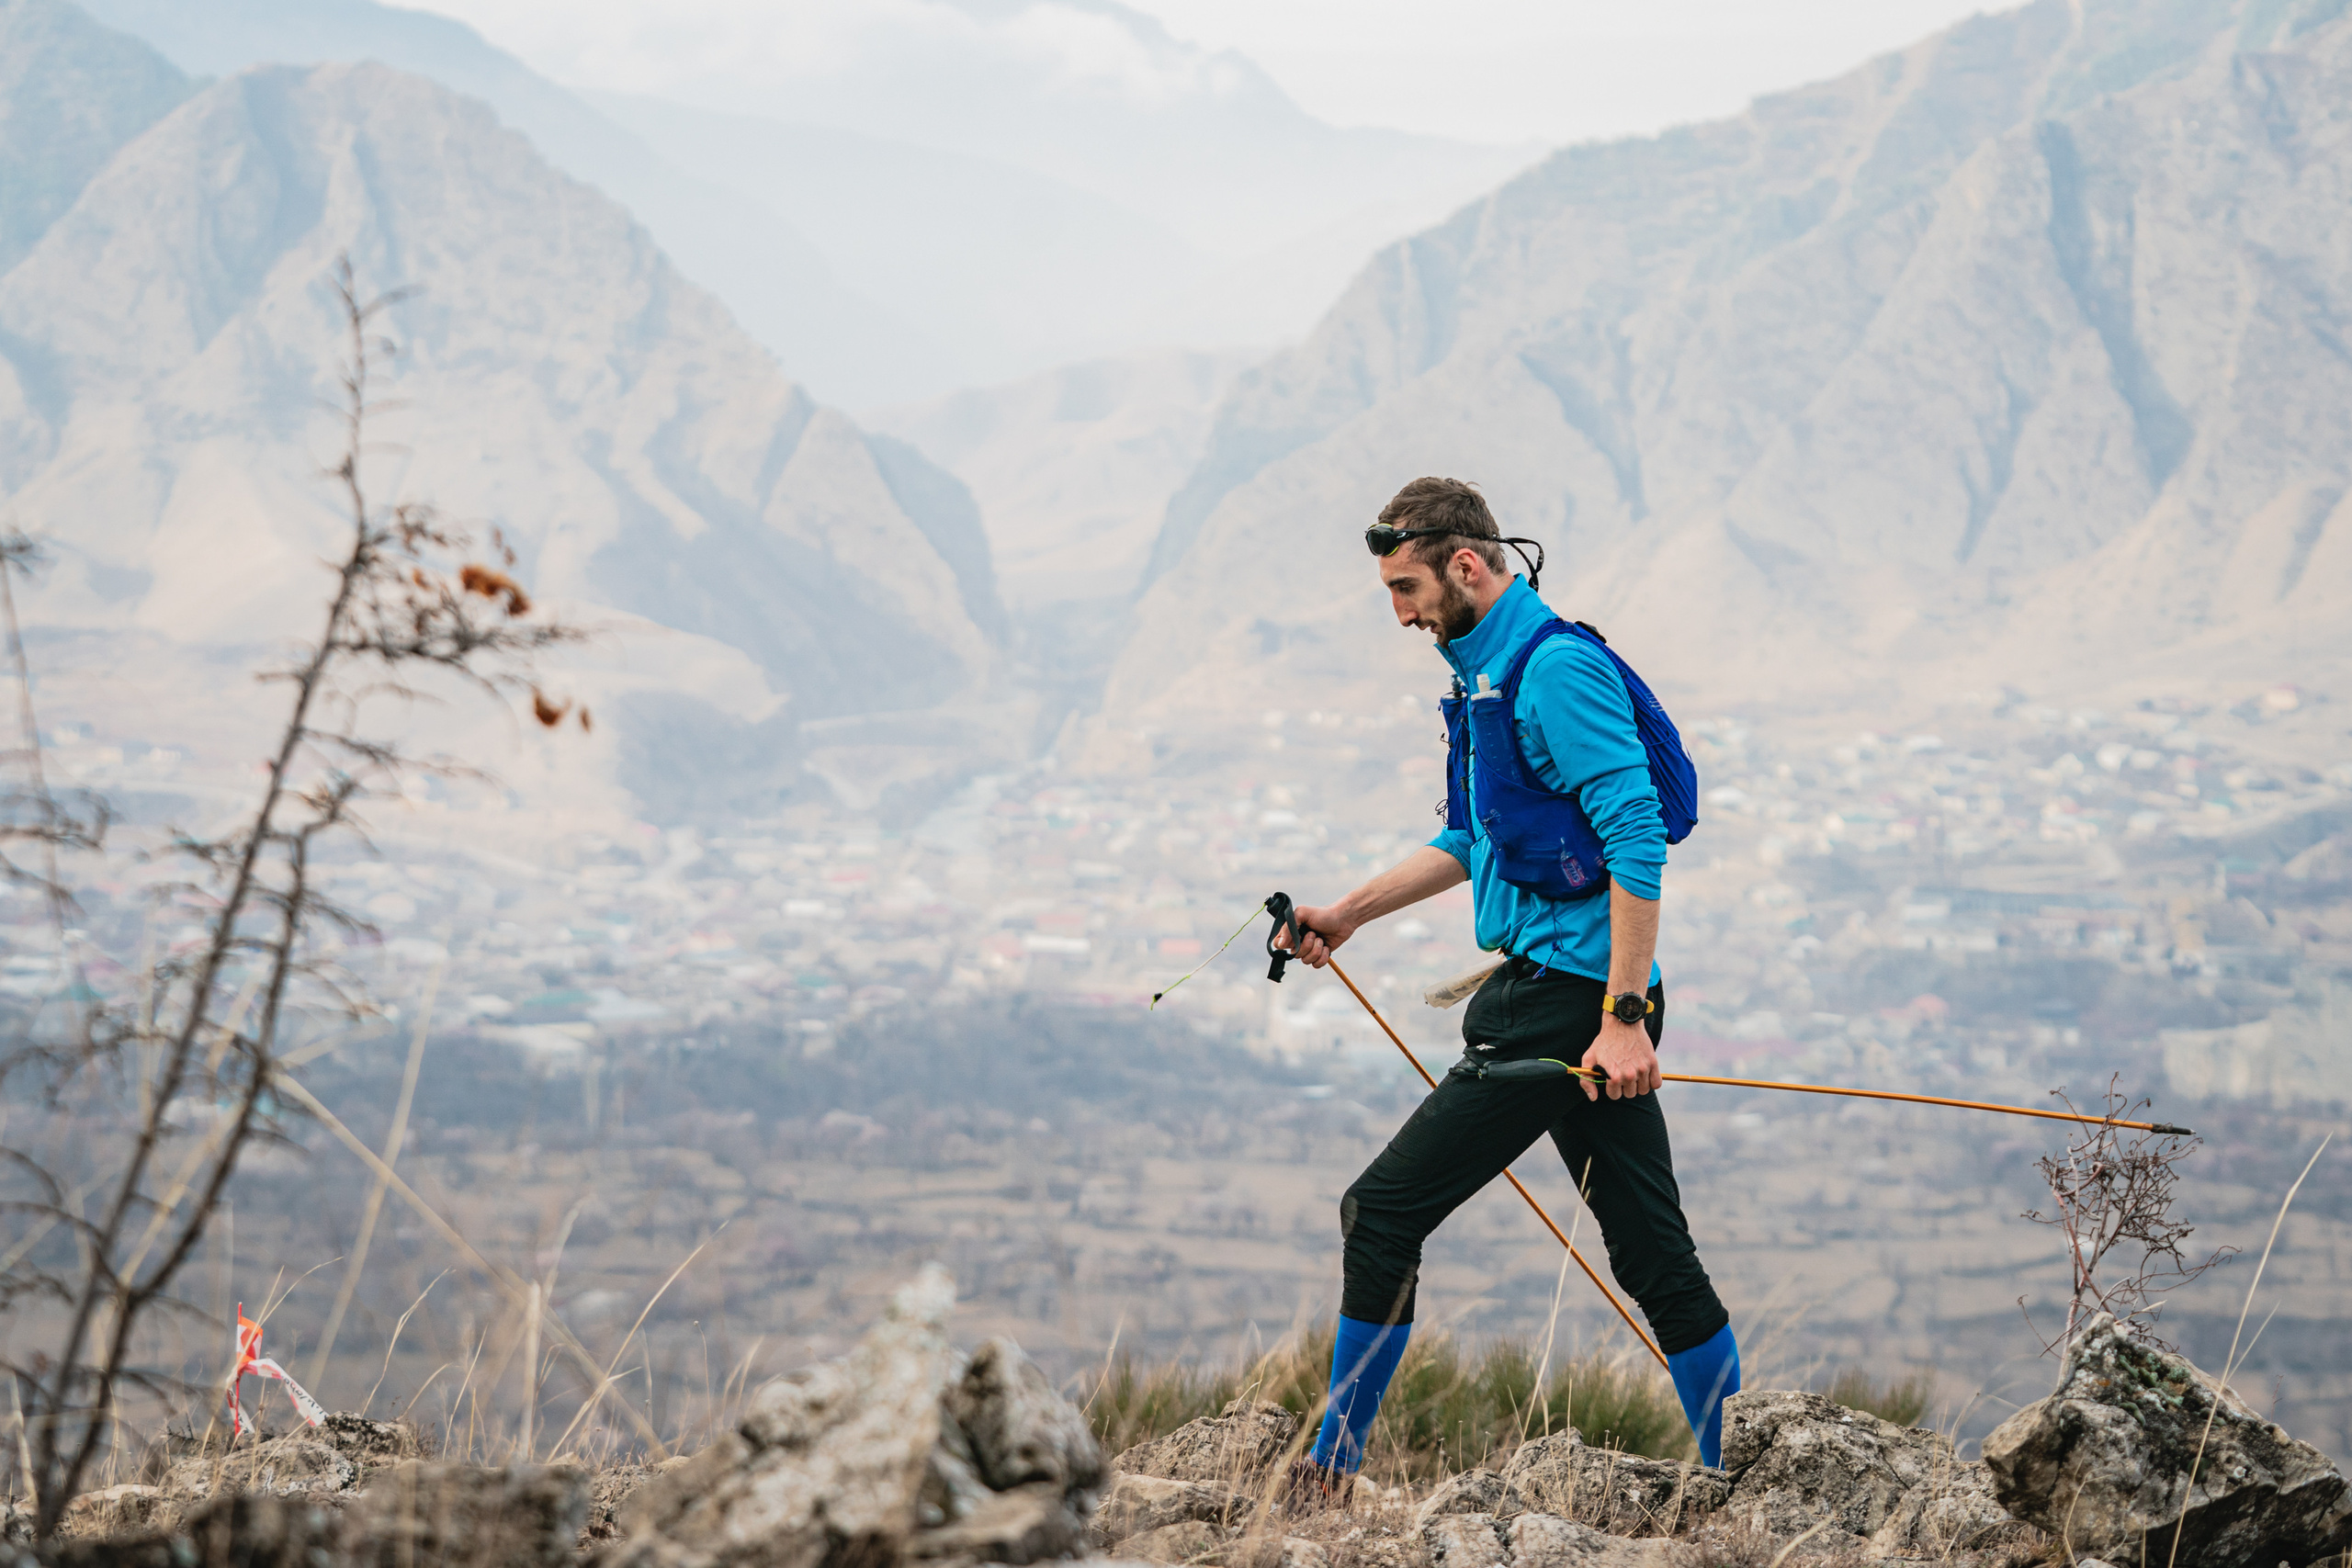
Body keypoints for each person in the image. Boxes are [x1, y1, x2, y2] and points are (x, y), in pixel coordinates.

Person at [1277, 477, 1738, 1504]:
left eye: (1406, 588)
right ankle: (1740, 1475)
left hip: (1571, 1007)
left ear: (1468, 566)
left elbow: (1635, 840)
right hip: (1566, 995)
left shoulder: (1552, 672)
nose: (1400, 613)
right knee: (1655, 1258)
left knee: (1381, 1211)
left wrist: (1622, 1021)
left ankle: (1327, 1475)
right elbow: (1470, 835)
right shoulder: (1483, 678)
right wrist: (1347, 914)